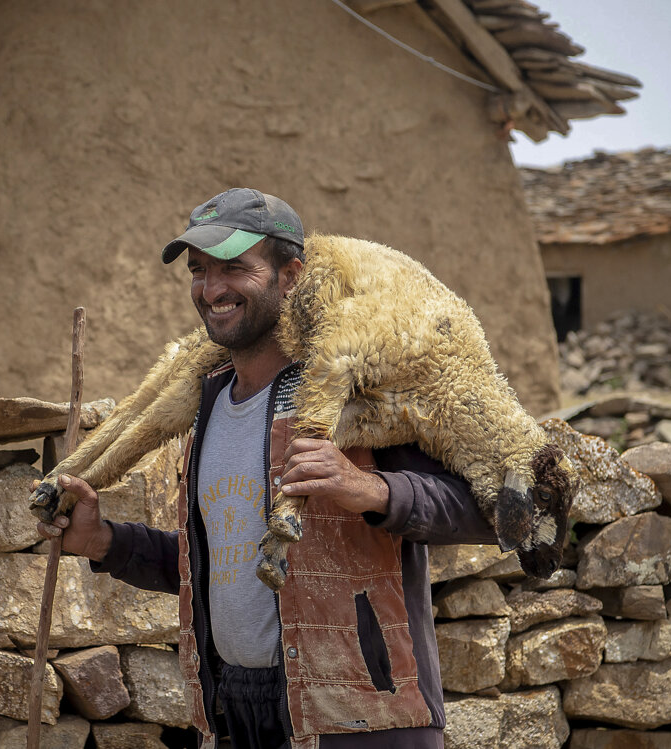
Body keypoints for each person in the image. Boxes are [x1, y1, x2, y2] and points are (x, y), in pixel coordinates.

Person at [37, 188, 496, 749]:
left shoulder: (361, 386)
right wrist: (105, 541)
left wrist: (368, 489)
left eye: (235, 268)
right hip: (237, 714)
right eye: (199, 270)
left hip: (359, 714)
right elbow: (218, 565)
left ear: (291, 276)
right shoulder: (207, 404)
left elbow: (483, 513)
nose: (212, 290)